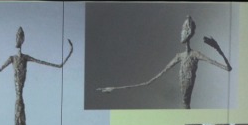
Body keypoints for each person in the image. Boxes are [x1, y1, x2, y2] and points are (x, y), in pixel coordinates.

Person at [97, 15, 231, 110]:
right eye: (182, 29)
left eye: (184, 29)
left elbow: (227, 68)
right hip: (183, 102)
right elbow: (149, 81)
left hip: (187, 101)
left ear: (189, 32)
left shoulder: (196, 54)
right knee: (184, 105)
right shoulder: (179, 56)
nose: (182, 33)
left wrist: (217, 48)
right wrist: (114, 89)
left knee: (185, 105)